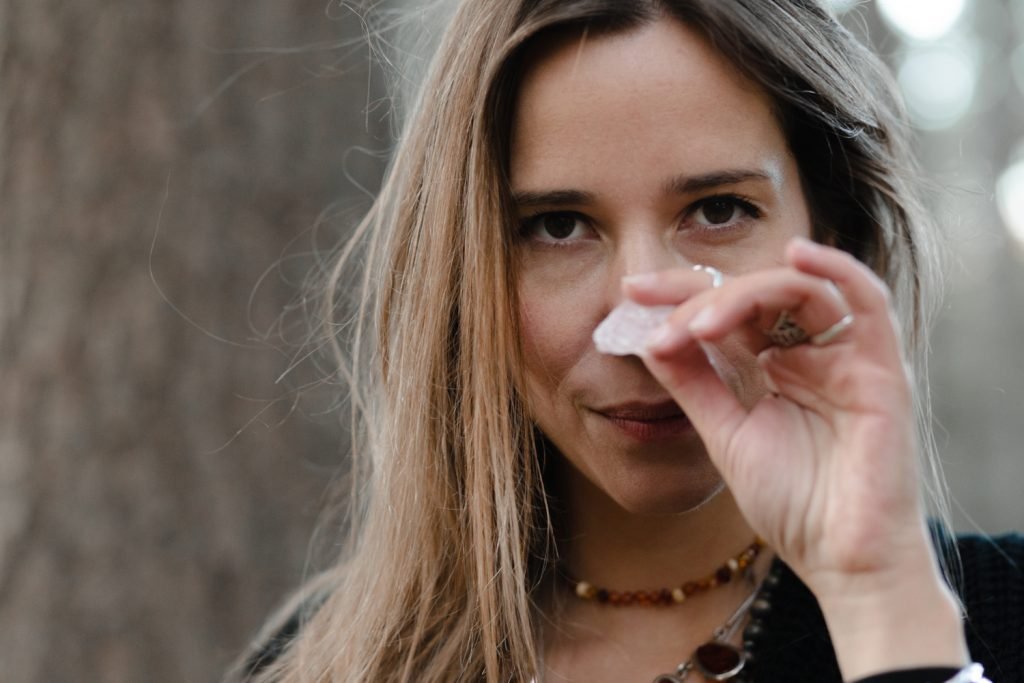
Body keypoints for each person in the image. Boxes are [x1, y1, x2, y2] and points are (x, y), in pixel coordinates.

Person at [228, 1, 1023, 682]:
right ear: (464, 273)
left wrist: (878, 595)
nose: (650, 331)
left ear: (830, 235)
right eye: (557, 226)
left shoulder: (1000, 618)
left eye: (718, 210)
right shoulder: (323, 660)